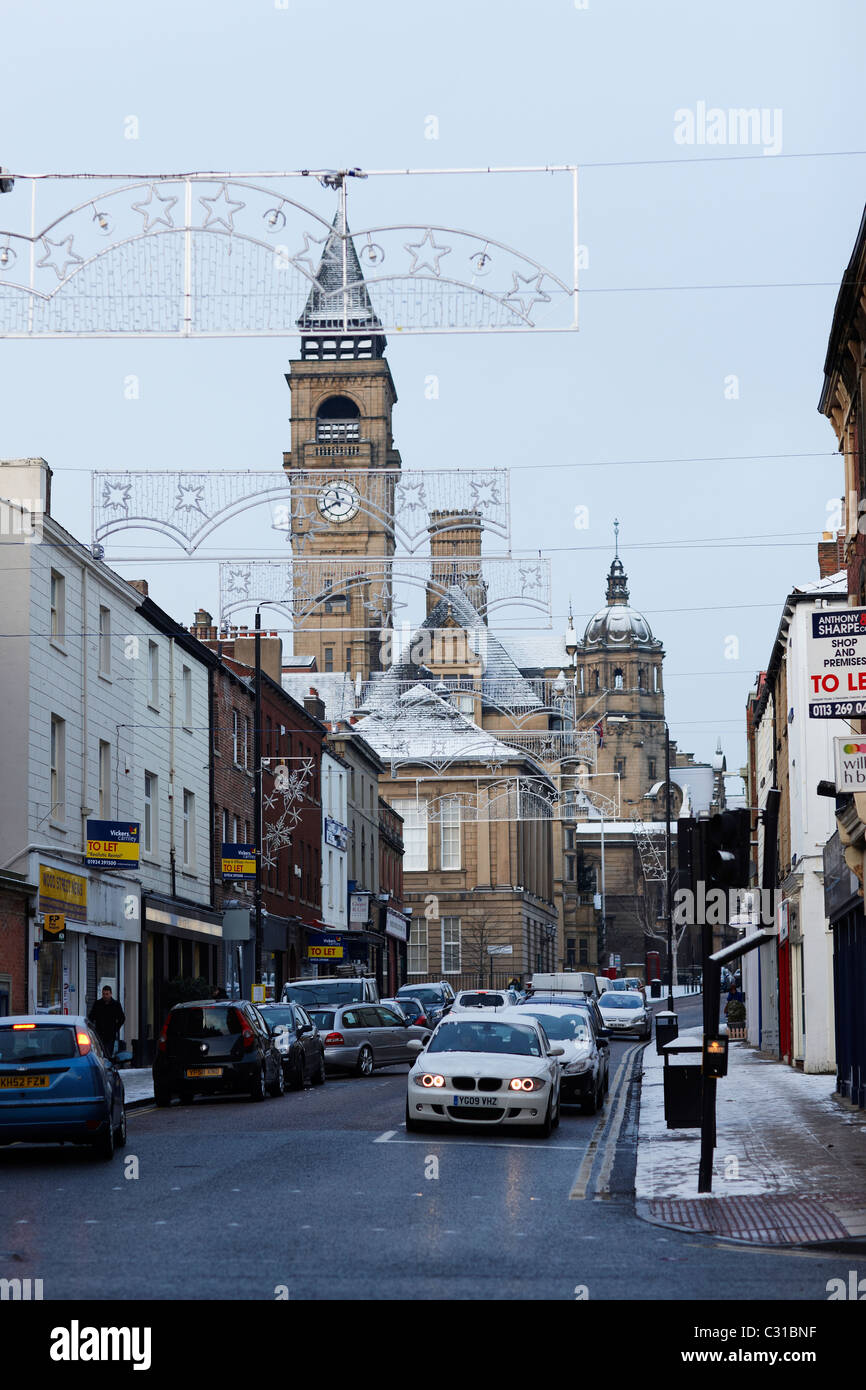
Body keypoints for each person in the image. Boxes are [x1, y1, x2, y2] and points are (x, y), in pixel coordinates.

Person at [88, 985, 125, 1056]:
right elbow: (91, 1017)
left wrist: (116, 1029)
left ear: (111, 994)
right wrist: (92, 1029)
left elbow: (122, 1018)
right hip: (99, 1033)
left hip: (110, 1034)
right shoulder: (98, 1004)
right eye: (103, 994)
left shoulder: (116, 1004)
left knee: (108, 1052)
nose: (105, 996)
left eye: (107, 994)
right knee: (99, 1052)